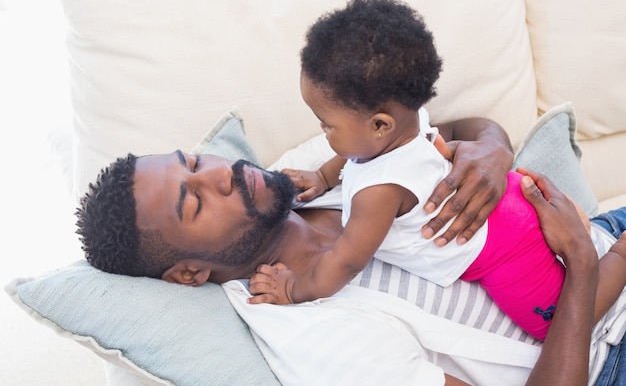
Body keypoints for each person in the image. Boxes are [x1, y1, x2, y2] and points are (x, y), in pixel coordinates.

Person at [74, 146, 626, 385]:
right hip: (604, 343)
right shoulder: (314, 339)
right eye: (193, 202)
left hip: (600, 234)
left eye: (193, 161)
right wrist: (581, 261)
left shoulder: (311, 181)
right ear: (189, 273)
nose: (222, 174)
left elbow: (434, 124)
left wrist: (490, 150)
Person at [247, 0, 626, 342]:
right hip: (510, 200)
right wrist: (323, 176)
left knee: (559, 321)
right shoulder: (407, 126)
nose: (322, 131)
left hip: (505, 249)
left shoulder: (378, 192)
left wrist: (293, 290)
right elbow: (355, 155)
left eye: (327, 124)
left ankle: (620, 256)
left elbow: (345, 260)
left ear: (380, 125)